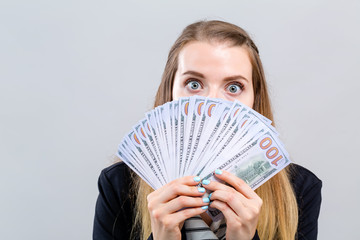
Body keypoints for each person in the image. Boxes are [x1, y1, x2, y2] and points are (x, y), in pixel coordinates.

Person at [93, 20, 322, 240]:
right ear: (170, 92)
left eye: (234, 87)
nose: (212, 105)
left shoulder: (300, 190)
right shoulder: (118, 185)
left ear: (255, 99)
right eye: (194, 84)